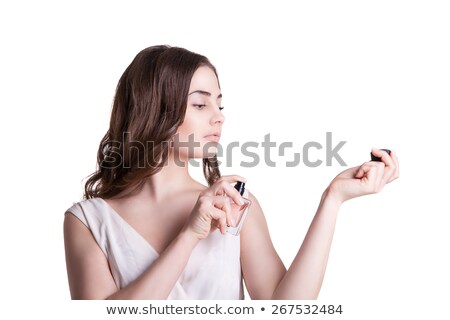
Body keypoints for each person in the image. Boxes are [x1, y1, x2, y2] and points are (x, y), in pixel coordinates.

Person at [63, 45, 400, 300]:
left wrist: (333, 199)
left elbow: (286, 311)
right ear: (153, 109)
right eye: (200, 104)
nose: (218, 117)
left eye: (220, 105)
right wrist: (189, 236)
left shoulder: (234, 204)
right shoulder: (88, 221)